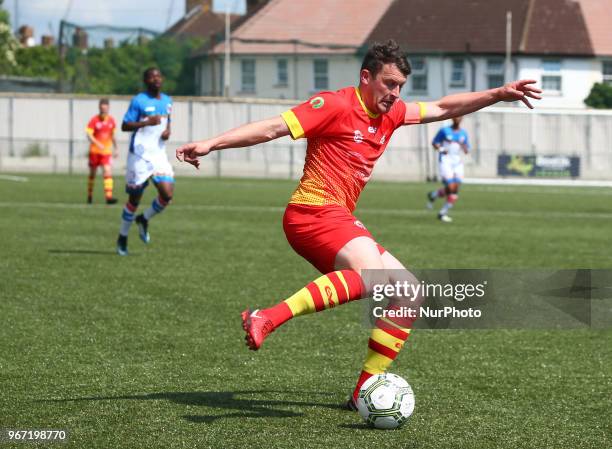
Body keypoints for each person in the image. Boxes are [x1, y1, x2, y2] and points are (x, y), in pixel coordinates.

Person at [175, 40, 541, 409]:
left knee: (408, 293)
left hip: (337, 217)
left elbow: (444, 106)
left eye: (400, 86)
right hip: (311, 211)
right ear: (366, 77)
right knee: (369, 275)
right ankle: (267, 317)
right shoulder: (334, 104)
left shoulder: (392, 113)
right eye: (388, 83)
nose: (395, 93)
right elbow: (273, 128)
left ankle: (361, 393)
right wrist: (212, 143)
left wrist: (498, 93)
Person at [116, 67, 173, 256]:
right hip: (139, 155)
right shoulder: (138, 101)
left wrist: (167, 132)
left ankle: (144, 219)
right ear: (146, 80)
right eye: (152, 76)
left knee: (167, 195)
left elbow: (167, 122)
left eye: (158, 75)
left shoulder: (167, 101)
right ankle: (123, 237)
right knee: (135, 198)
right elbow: (125, 125)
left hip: (158, 154)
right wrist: (146, 123)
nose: (156, 79)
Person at [426, 115, 470, 222]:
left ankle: (436, 200)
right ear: (452, 118)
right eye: (455, 116)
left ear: (462, 119)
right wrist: (441, 149)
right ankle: (441, 210)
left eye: (460, 117)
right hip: (446, 161)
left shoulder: (463, 133)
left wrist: (464, 146)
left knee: (455, 189)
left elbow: (467, 149)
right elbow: (434, 143)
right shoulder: (444, 131)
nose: (457, 118)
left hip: (457, 163)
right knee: (451, 188)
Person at [86, 98, 118, 204]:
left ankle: (109, 197)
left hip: (106, 152)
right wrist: (97, 143)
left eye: (105, 107)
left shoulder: (112, 121)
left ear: (108, 108)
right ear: (99, 107)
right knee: (92, 174)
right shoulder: (94, 120)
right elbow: (89, 134)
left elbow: (113, 136)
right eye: (102, 108)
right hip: (94, 151)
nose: (103, 110)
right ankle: (90, 195)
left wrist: (116, 148)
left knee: (107, 170)